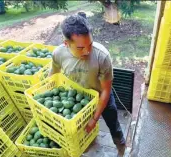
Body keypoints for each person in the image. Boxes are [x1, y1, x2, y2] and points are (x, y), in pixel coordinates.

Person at [50, 12, 125, 148]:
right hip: (78, 99)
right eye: (80, 47)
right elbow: (53, 77)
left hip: (102, 97)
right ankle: (88, 142)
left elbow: (106, 90)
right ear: (66, 43)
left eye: (90, 44)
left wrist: (95, 118)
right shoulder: (58, 54)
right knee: (82, 130)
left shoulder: (102, 56)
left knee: (113, 122)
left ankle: (119, 140)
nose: (87, 51)